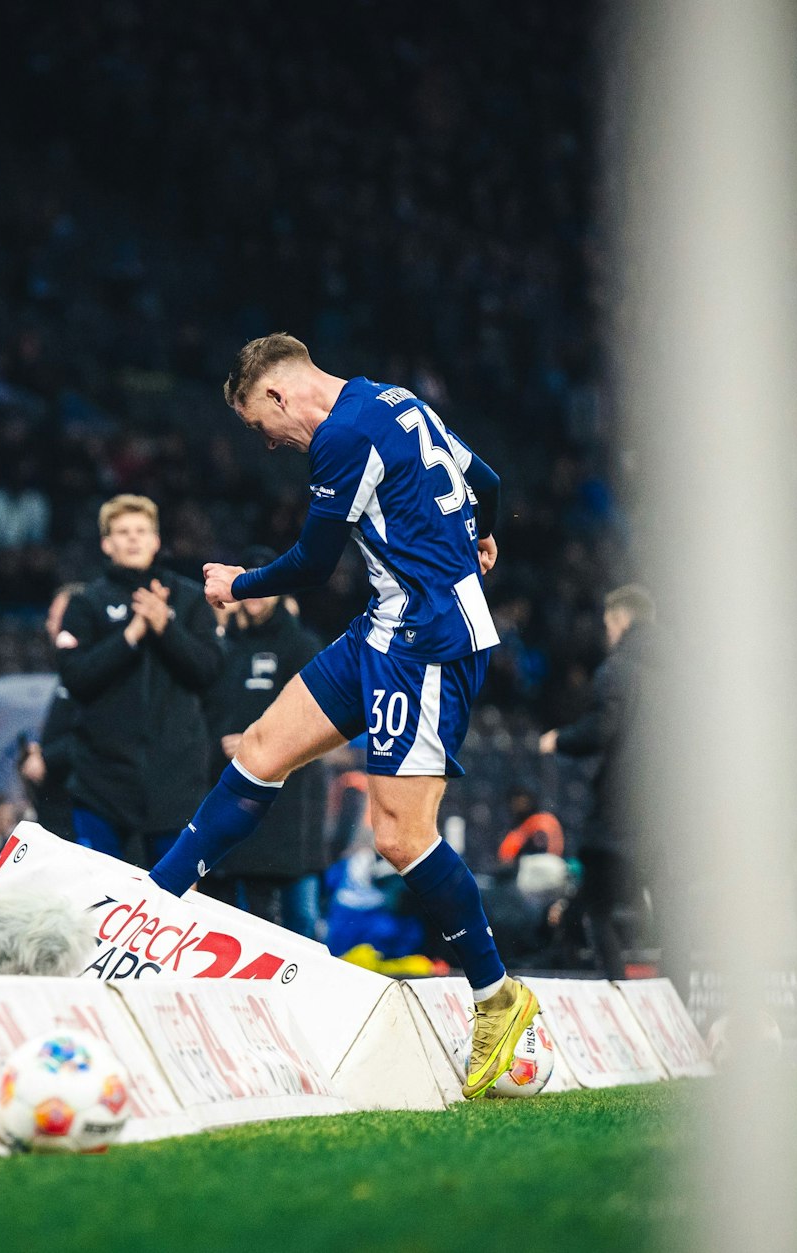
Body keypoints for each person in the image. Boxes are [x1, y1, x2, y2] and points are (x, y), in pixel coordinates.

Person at [143, 334, 529, 1099]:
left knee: (400, 836)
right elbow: (485, 477)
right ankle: (150, 905)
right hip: (385, 625)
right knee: (260, 747)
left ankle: (497, 996)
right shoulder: (393, 398)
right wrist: (483, 529)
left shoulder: (343, 437)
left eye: (259, 424)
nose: (267, 441)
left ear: (281, 395)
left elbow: (312, 566)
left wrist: (236, 582)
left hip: (427, 642)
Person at [56, 496, 221, 867]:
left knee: (176, 902)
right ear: (106, 543)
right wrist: (131, 634)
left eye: (142, 531)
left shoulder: (190, 599)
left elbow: (209, 671)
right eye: (122, 532)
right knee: (98, 899)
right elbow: (76, 677)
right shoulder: (86, 603)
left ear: (156, 540)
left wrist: (166, 629)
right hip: (102, 784)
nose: (133, 539)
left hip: (176, 782)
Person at [197, 547, 328, 937]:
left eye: (261, 584)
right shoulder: (225, 645)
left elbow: (315, 716)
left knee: (289, 916)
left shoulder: (300, 645)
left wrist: (259, 741)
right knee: (226, 907)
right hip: (227, 788)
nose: (253, 595)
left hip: (285, 798)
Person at [539, 584, 661, 982]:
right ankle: (678, 1012)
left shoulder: (620, 669)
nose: (607, 632)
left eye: (609, 623)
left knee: (594, 908)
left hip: (621, 816)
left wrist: (560, 739)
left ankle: (614, 995)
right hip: (672, 818)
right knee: (672, 917)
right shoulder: (679, 672)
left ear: (621, 620)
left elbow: (602, 729)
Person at [19, 583, 83, 838]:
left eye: (57, 617)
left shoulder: (98, 672)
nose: (49, 625)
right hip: (57, 802)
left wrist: (47, 758)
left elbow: (98, 731)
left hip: (81, 805)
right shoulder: (71, 671)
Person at [496, 785, 564, 864]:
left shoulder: (541, 821)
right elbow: (505, 857)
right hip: (517, 869)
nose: (519, 804)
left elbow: (541, 852)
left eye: (522, 799)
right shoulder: (515, 826)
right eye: (515, 800)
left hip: (543, 867)